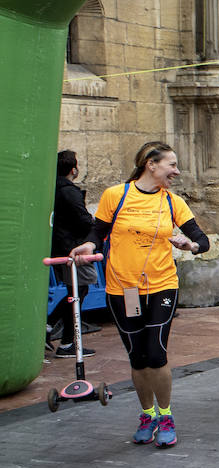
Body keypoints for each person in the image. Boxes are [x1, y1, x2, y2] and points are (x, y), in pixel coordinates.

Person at [73, 142, 210, 448]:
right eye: (171, 165)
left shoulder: (173, 202)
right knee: (137, 357)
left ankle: (166, 415)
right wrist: (89, 245)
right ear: (151, 164)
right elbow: (98, 231)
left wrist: (191, 246)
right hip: (124, 288)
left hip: (161, 285)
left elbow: (202, 239)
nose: (176, 171)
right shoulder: (116, 195)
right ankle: (147, 414)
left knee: (156, 353)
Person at [50, 149, 97, 359]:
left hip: (62, 247)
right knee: (79, 291)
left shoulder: (54, 188)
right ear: (73, 169)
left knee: (76, 292)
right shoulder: (68, 191)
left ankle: (58, 334)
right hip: (74, 248)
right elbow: (82, 219)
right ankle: (63, 338)